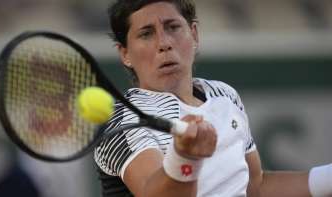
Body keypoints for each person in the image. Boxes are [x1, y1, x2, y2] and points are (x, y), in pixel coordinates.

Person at [93, 0, 332, 196]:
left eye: (172, 27)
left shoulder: (224, 95)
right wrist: (186, 157)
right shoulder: (123, 121)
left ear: (194, 35)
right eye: (146, 34)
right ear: (125, 54)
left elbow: (255, 186)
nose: (164, 43)